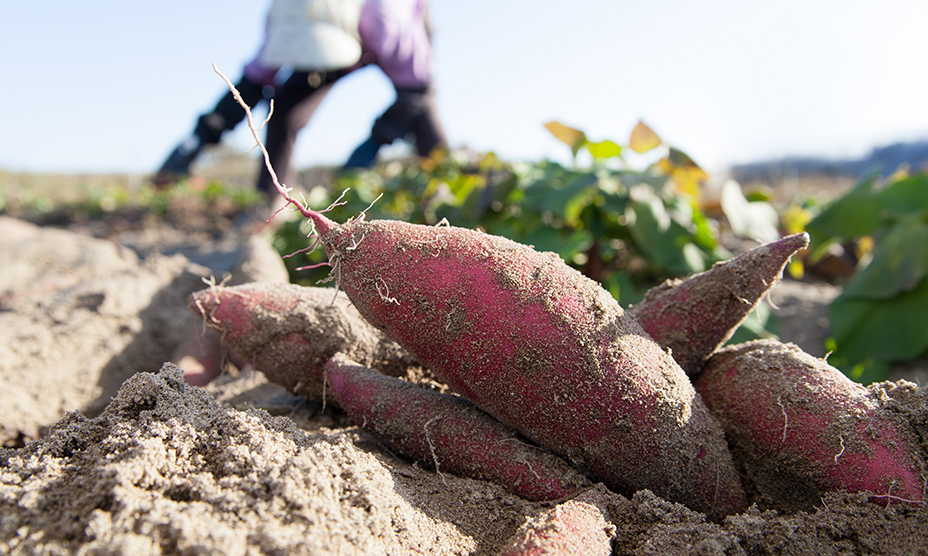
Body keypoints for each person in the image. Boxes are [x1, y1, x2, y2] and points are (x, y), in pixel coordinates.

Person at [154, 0, 447, 196]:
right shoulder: (285, 17)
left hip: (383, 33)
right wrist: (199, 138)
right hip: (330, 27)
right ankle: (271, 198)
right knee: (284, 110)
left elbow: (416, 89)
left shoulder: (389, 23)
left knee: (422, 114)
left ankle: (446, 186)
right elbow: (252, 84)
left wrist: (374, 143)